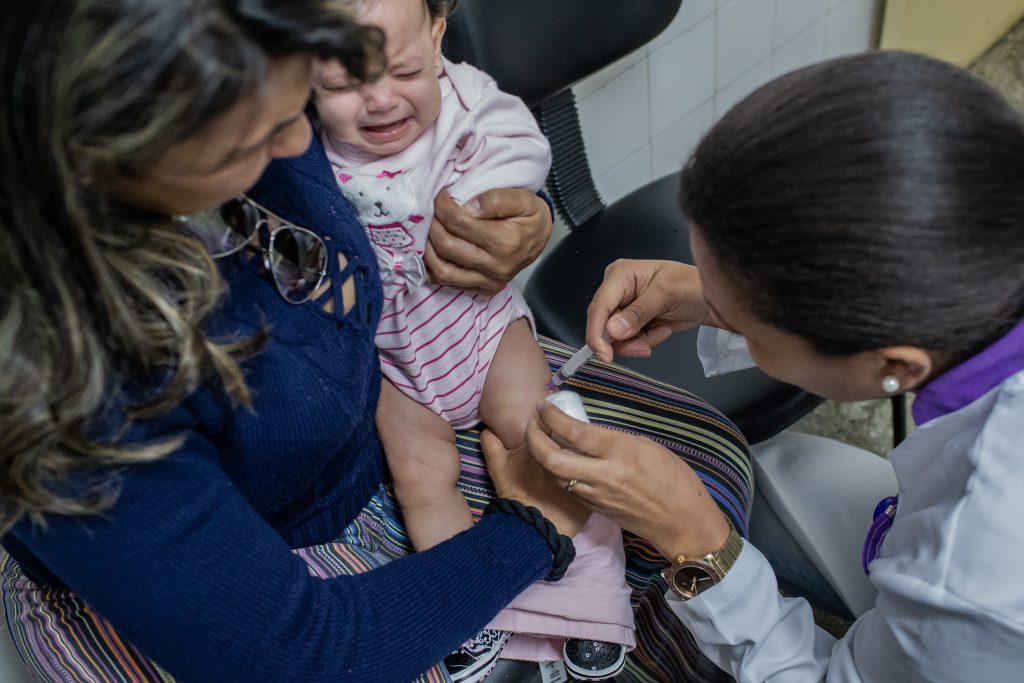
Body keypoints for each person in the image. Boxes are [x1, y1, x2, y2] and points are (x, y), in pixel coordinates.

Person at [0, 1, 751, 682]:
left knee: (709, 471)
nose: (305, 142)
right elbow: (307, 653)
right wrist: (534, 525)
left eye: (298, 96)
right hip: (270, 574)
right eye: (260, 135)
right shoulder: (70, 395)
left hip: (374, 401)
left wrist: (521, 223)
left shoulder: (265, 82)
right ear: (107, 159)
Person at [491, 50, 1024, 681]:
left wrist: (694, 542)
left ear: (896, 365)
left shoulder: (977, 568)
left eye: (741, 313)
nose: (711, 302)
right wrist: (714, 296)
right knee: (763, 472)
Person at [311, 0, 632, 675]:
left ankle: (598, 591)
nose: (378, 101)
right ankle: (470, 612)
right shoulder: (306, 150)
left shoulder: (468, 103)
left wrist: (494, 199)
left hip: (481, 332)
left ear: (436, 35)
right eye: (342, 85)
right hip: (393, 366)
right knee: (421, 477)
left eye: (402, 70)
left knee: (549, 439)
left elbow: (525, 145)